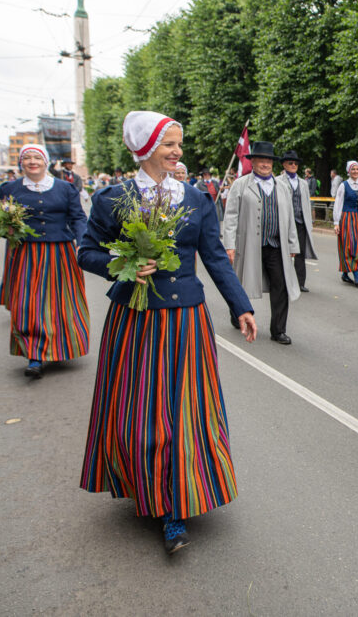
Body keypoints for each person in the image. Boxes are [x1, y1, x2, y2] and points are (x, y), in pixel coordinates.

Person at [78, 111, 257, 554]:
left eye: (179, 144)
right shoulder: (112, 199)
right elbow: (86, 251)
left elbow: (214, 257)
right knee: (143, 413)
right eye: (168, 144)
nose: (177, 152)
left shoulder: (195, 199)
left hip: (186, 320)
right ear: (143, 149)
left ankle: (175, 507)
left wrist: (241, 306)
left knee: (185, 413)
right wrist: (122, 267)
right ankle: (149, 488)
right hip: (136, 319)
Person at [0, 144, 89, 377]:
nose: (31, 161)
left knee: (61, 301)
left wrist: (83, 241)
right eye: (26, 157)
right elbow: (2, 218)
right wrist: (6, 228)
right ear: (21, 163)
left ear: (46, 161)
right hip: (26, 252)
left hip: (61, 252)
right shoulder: (9, 189)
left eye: (36, 157)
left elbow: (78, 217)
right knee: (29, 302)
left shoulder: (65, 189)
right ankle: (34, 356)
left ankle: (60, 346)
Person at [221, 141, 301, 345]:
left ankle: (278, 330)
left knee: (280, 286)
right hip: (249, 244)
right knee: (241, 281)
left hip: (276, 245)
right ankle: (236, 312)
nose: (265, 164)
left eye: (268, 160)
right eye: (261, 160)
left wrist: (293, 245)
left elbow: (289, 217)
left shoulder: (282, 186)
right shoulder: (241, 184)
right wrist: (229, 244)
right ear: (253, 162)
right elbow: (231, 216)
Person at [278, 150, 318, 293]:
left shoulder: (303, 183)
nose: (293, 165)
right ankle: (283, 281)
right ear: (284, 164)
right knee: (284, 252)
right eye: (290, 163)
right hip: (285, 223)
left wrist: (309, 222)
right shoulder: (277, 181)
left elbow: (306, 203)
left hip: (300, 222)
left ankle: (300, 282)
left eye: (295, 163)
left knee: (300, 253)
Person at [332, 160, 358, 285]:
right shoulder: (344, 185)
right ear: (348, 171)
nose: (355, 171)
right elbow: (338, 204)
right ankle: (356, 275)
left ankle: (345, 273)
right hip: (347, 218)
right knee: (350, 245)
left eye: (357, 169)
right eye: (353, 169)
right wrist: (336, 222)